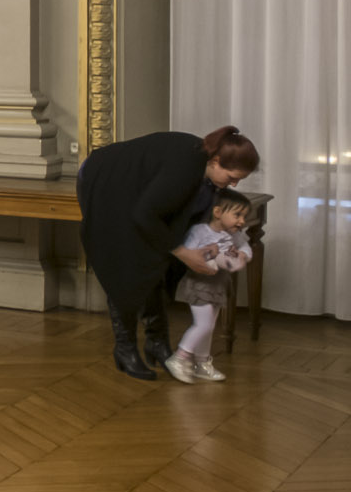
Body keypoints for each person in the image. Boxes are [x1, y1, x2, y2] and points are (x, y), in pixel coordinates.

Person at [77, 126, 259, 380]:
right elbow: (144, 214)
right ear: (215, 162)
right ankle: (125, 348)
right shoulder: (184, 168)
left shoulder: (203, 165)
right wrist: (184, 253)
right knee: (126, 261)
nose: (234, 184)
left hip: (140, 190)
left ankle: (157, 343)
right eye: (231, 177)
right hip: (107, 179)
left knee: (159, 259)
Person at [163, 189, 253, 383]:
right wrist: (210, 257)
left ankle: (202, 364)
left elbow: (246, 247)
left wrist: (243, 255)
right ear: (218, 212)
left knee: (209, 327)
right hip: (200, 285)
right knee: (202, 324)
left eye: (244, 216)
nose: (242, 221)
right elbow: (189, 255)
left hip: (219, 285)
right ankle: (179, 357)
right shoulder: (199, 232)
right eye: (237, 215)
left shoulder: (233, 234)